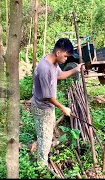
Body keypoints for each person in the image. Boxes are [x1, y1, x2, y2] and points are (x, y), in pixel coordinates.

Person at [31, 38, 84, 166]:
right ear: (58, 52)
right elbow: (47, 96)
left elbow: (59, 75)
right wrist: (63, 108)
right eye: (66, 56)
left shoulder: (53, 62)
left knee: (46, 133)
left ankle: (41, 150)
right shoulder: (45, 68)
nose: (66, 59)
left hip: (47, 107)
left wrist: (75, 70)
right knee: (45, 139)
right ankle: (41, 166)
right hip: (42, 108)